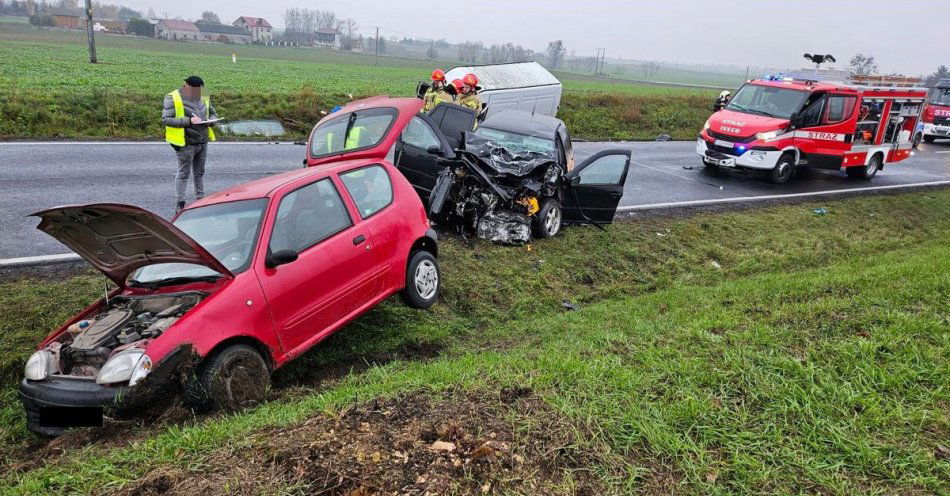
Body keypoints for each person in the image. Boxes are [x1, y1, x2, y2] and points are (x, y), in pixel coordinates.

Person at [163, 75, 218, 212]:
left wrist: (212, 121)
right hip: (185, 142)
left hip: (202, 140)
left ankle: (201, 200)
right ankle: (180, 204)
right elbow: (166, 119)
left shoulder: (202, 94)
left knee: (199, 172)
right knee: (183, 173)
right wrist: (189, 121)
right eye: (196, 91)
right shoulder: (172, 97)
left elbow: (213, 113)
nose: (198, 94)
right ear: (186, 86)